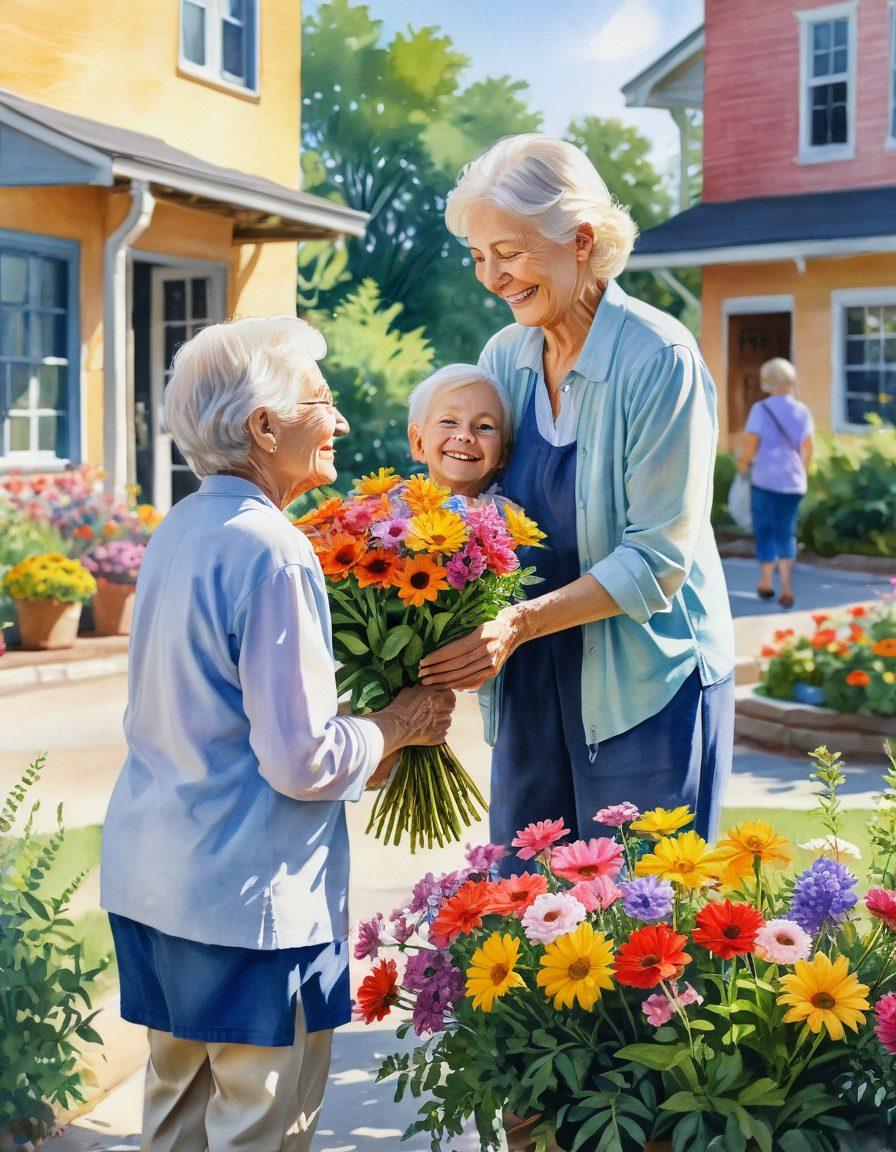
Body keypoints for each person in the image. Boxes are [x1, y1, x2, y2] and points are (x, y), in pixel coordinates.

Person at [100, 317, 454, 1152]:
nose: (337, 423)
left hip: (156, 881)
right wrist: (399, 723)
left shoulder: (180, 530)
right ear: (263, 426)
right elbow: (301, 761)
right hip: (247, 902)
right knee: (261, 1127)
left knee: (176, 1117)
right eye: (319, 403)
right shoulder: (275, 552)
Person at [417, 134, 736, 868]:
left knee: (639, 924)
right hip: (534, 674)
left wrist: (519, 622)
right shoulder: (506, 356)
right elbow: (476, 502)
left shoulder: (659, 360)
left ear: (581, 241)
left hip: (645, 685)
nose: (492, 276)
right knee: (525, 915)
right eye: (478, 256)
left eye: (509, 251)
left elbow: (657, 561)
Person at [737, 357, 814, 610]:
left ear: (767, 381)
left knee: (765, 531)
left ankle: (767, 581)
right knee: (786, 532)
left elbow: (751, 443)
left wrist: (743, 465)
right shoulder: (802, 411)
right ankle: (788, 586)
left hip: (764, 480)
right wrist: (802, 472)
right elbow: (807, 447)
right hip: (793, 483)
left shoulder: (760, 409)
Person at [406, 363, 513, 498]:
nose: (464, 435)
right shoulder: (382, 511)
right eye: (448, 421)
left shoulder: (514, 517)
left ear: (503, 453)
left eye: (484, 426)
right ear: (418, 442)